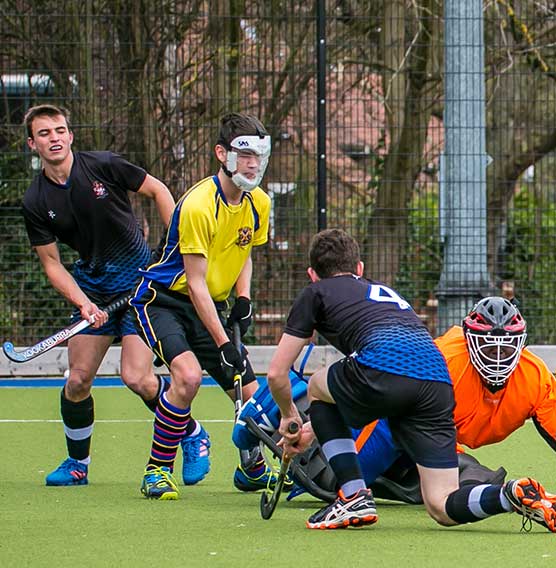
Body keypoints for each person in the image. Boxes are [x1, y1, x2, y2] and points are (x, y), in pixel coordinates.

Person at [266, 228, 556, 531]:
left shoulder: (316, 291)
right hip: (437, 381)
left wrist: (289, 416)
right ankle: (509, 495)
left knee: (316, 385)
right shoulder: (382, 292)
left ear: (312, 274)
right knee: (441, 504)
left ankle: (352, 497)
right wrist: (315, 428)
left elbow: (276, 373)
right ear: (360, 269)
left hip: (388, 368)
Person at [21, 104, 184, 487]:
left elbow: (158, 190)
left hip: (140, 285)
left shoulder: (103, 165)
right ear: (32, 144)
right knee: (77, 381)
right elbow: (52, 264)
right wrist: (83, 303)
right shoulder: (35, 200)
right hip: (93, 286)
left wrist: (176, 247)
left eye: (59, 130)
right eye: (44, 133)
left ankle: (191, 433)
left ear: (70, 135)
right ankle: (78, 465)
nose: (54, 138)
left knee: (138, 378)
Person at [130, 112, 285, 500]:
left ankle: (251, 470)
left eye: (258, 156)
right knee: (187, 377)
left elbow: (244, 252)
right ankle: (157, 470)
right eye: (244, 155)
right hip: (164, 301)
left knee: (252, 396)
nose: (253, 164)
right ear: (221, 154)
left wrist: (244, 297)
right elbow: (195, 283)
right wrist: (224, 343)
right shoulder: (199, 205)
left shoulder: (259, 202)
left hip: (210, 304)